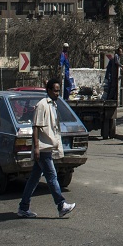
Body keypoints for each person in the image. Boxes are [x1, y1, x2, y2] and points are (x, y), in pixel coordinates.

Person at [17, 79, 76, 219]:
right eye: (55, 90)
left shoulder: (53, 105)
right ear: (48, 90)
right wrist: (36, 148)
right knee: (52, 176)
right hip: (43, 148)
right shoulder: (42, 105)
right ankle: (61, 205)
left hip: (47, 147)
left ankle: (23, 207)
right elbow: (36, 127)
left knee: (33, 179)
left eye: (58, 90)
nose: (57, 93)